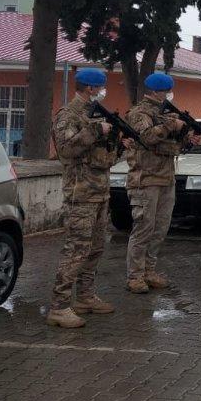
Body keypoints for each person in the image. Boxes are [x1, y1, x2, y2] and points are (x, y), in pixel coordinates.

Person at [46, 68, 120, 328]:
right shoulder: (69, 115)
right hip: (81, 194)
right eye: (101, 87)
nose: (103, 91)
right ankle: (59, 307)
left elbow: (103, 157)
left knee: (95, 248)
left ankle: (85, 297)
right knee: (76, 250)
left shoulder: (95, 113)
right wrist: (96, 131)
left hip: (99, 192)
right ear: (90, 88)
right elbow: (66, 150)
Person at [124, 72, 198, 293]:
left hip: (166, 177)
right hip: (145, 179)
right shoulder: (139, 113)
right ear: (156, 92)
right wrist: (171, 126)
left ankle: (149, 270)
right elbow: (146, 137)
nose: (169, 95)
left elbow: (174, 145)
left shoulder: (166, 113)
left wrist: (187, 137)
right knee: (143, 228)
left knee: (160, 228)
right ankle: (135, 275)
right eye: (166, 91)